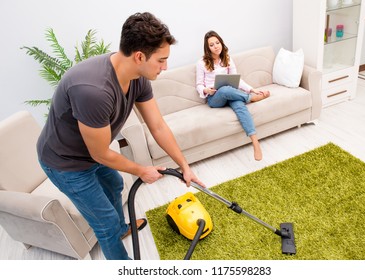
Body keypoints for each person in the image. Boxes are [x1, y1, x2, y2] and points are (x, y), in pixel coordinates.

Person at [37, 12, 203, 260]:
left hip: (92, 153)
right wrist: (141, 170)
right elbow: (100, 153)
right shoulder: (94, 90)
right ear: (139, 56)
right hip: (66, 163)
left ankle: (122, 228)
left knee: (114, 184)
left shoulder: (138, 77)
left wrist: (184, 166)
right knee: (104, 224)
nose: (165, 67)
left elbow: (157, 126)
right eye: (161, 60)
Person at [196, 30, 270, 161]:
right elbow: (199, 85)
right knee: (224, 90)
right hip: (215, 98)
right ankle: (250, 99)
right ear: (207, 48)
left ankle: (255, 143)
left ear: (221, 42)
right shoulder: (201, 63)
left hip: (231, 93)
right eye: (211, 45)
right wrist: (207, 90)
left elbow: (237, 80)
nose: (216, 46)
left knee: (240, 107)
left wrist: (252, 89)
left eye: (217, 43)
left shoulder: (228, 58)